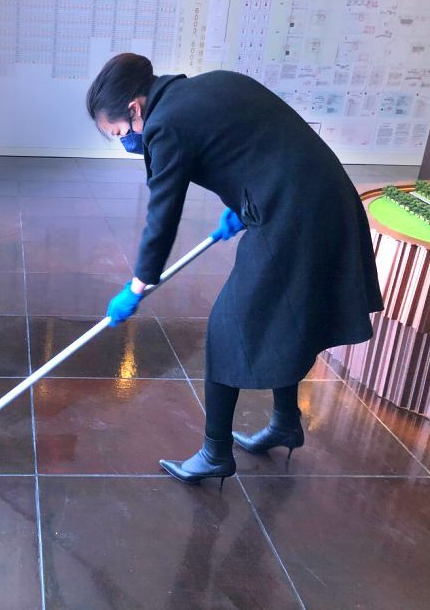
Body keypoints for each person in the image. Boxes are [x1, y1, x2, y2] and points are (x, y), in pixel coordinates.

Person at [87, 53, 383, 486]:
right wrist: (242, 205)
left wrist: (137, 285)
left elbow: (162, 215)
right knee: (285, 316)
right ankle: (285, 422)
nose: (127, 142)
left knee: (227, 327)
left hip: (294, 213)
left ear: (135, 108)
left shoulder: (165, 125)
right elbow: (255, 146)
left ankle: (215, 453)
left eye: (120, 133)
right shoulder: (209, 85)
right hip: (321, 195)